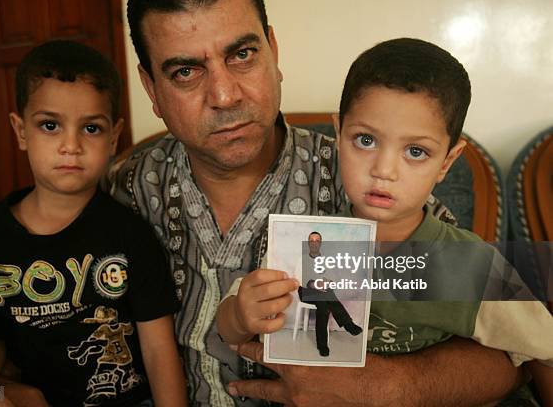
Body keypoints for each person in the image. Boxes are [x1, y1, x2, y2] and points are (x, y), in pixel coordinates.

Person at [114, 0, 524, 405]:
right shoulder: (128, 187)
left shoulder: (370, 185)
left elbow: (510, 359)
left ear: (273, 53)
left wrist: (393, 384)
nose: (224, 95)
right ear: (151, 87)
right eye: (185, 71)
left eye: (242, 55)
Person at [219, 36, 553, 404]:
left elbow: (545, 350)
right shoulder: (309, 244)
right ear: (338, 133)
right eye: (365, 140)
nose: (383, 170)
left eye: (415, 151)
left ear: (446, 162)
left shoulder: (471, 266)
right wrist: (241, 313)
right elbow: (231, 321)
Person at [0, 40, 186, 407]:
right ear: (21, 130)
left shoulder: (129, 233)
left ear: (114, 137)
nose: (70, 145)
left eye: (91, 129)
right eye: (50, 125)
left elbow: (158, 350)